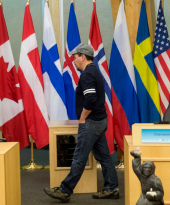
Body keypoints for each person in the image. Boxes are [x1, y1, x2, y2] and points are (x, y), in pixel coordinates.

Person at [44, 43, 119, 203]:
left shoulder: (87, 74)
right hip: (100, 120)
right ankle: (111, 188)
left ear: (83, 57)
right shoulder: (93, 71)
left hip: (92, 122)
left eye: (75, 57)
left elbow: (90, 99)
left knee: (79, 157)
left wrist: (83, 118)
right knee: (104, 157)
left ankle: (65, 191)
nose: (73, 60)